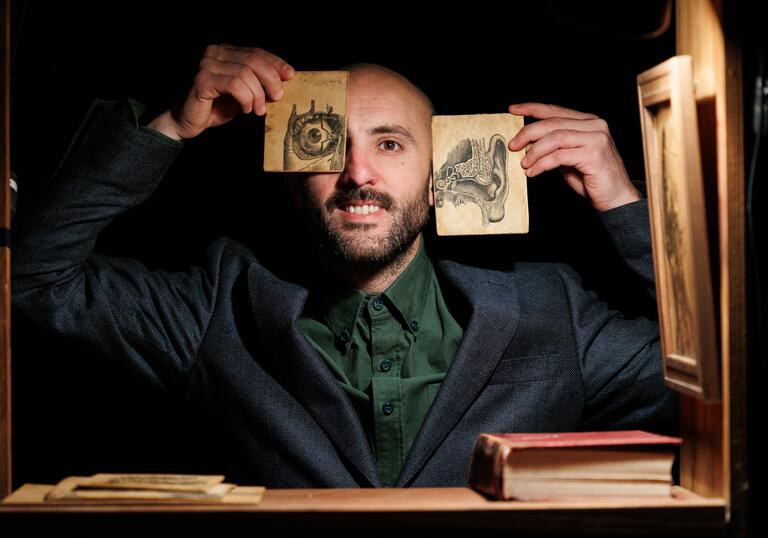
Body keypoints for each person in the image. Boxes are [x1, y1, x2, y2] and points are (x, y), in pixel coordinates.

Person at [11, 45, 676, 488]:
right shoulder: (219, 306)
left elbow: (721, 377)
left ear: (442, 176)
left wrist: (624, 203)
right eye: (328, 147)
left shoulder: (549, 307)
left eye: (389, 143)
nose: (358, 174)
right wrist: (167, 128)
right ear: (290, 181)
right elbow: (33, 278)